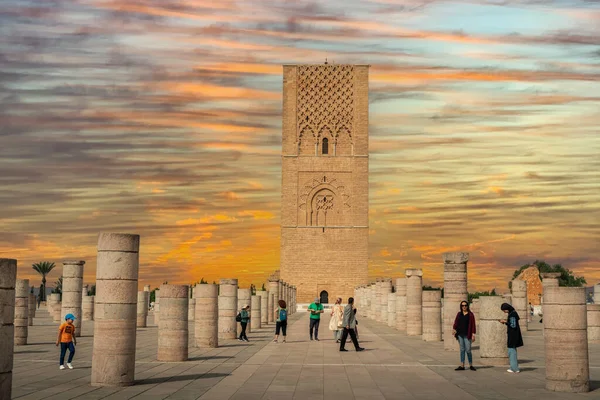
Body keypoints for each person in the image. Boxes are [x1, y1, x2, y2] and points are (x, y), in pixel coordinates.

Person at [452, 300, 477, 371]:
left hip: (467, 334)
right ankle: (462, 365)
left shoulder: (471, 314)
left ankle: (471, 365)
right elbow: (456, 322)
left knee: (468, 350)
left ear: (467, 306)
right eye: (462, 305)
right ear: (461, 306)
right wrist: (454, 329)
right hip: (460, 334)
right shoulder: (459, 314)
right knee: (462, 350)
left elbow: (473, 325)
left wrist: (473, 334)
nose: (464, 307)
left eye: (465, 305)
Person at [500, 303, 523, 373]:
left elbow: (513, 325)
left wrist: (505, 322)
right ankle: (514, 367)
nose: (504, 312)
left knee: (511, 351)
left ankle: (514, 368)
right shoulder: (512, 313)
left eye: (504, 310)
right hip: (514, 335)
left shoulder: (512, 314)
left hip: (513, 336)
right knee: (512, 351)